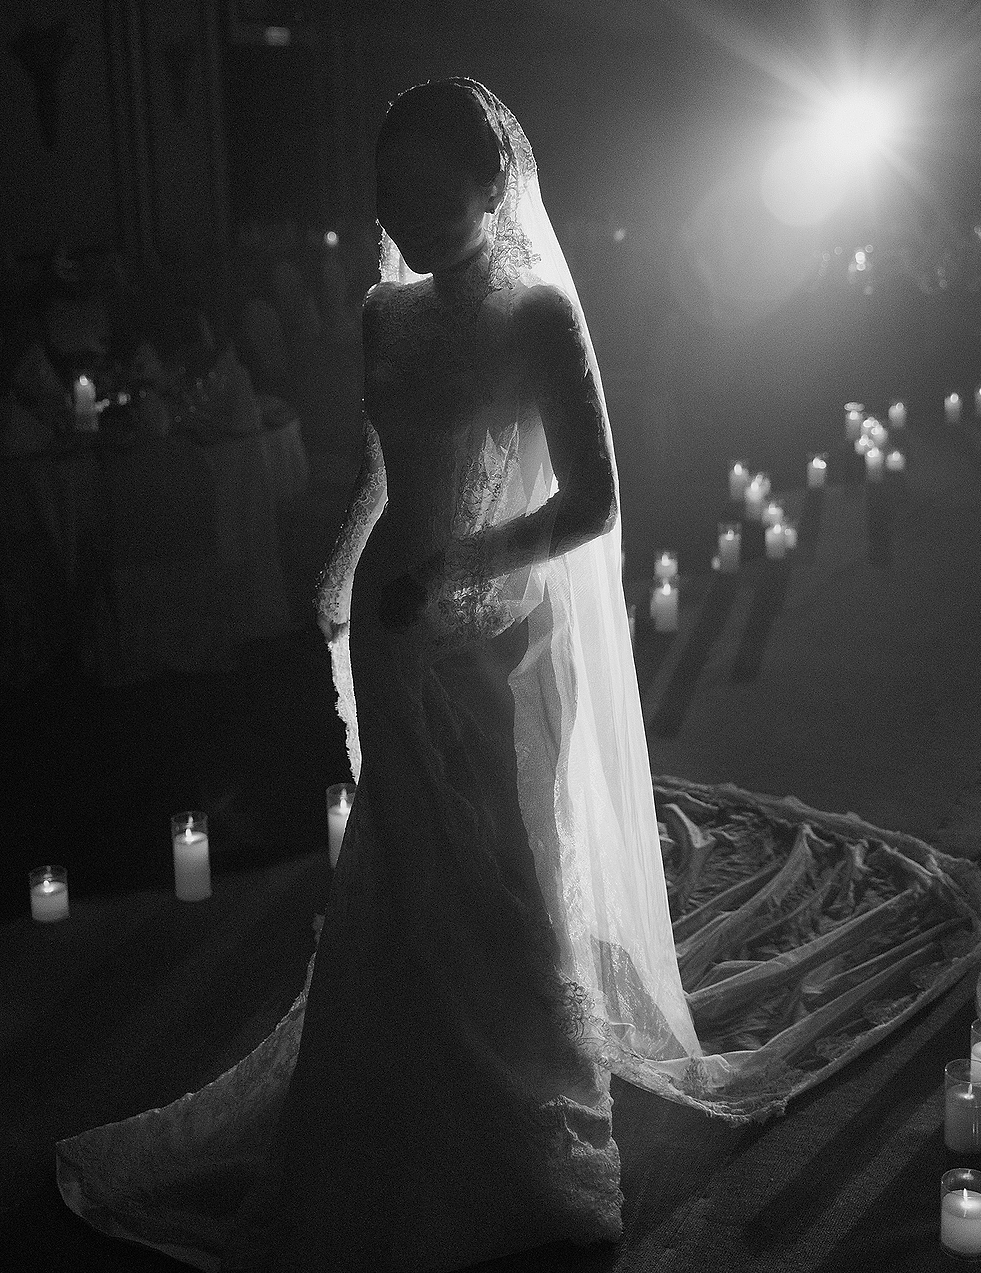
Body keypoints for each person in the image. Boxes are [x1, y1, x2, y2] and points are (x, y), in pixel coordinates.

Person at [56, 79, 718, 1271]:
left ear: (492, 185)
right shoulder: (381, 309)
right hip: (387, 614)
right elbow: (382, 467)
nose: (408, 218)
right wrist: (339, 566)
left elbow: (594, 503)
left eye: (432, 195)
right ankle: (387, 1093)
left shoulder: (538, 317)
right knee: (400, 860)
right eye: (390, 195)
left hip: (489, 629)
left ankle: (513, 1125)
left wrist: (456, 568)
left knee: (499, 868)